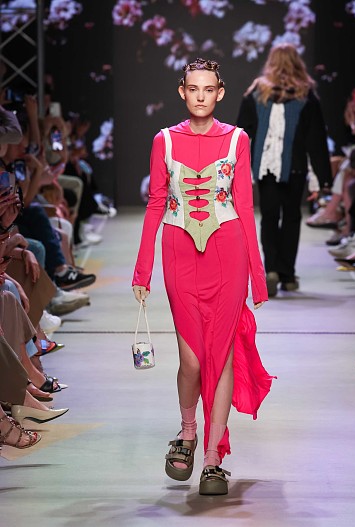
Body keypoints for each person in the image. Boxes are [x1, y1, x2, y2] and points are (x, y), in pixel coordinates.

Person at [132, 58, 274, 496]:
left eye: (208, 89)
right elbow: (156, 203)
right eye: (193, 88)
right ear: (182, 91)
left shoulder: (237, 139)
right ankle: (188, 430)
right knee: (192, 360)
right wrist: (142, 269)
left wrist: (257, 276)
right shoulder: (164, 141)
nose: (200, 96)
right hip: (179, 253)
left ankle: (212, 457)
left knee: (222, 356)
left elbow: (244, 206)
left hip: (228, 253)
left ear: (220, 93)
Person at [236, 44, 332, 297]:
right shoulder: (305, 95)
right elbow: (316, 139)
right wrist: (323, 178)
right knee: (291, 217)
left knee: (269, 216)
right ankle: (287, 274)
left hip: (265, 166)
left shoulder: (257, 92)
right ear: (297, 62)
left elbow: (242, 132)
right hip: (295, 166)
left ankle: (271, 270)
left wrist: (237, 168)